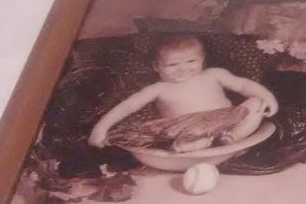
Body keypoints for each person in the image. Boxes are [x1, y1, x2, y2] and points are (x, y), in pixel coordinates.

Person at [88, 34, 279, 153]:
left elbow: (244, 85)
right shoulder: (159, 88)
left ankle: (234, 137)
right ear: (157, 67)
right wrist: (101, 128)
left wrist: (268, 97)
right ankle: (191, 145)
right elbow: (127, 106)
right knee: (166, 136)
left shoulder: (214, 74)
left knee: (255, 103)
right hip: (185, 128)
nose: (183, 69)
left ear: (202, 58)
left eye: (191, 62)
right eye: (172, 65)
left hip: (226, 120)